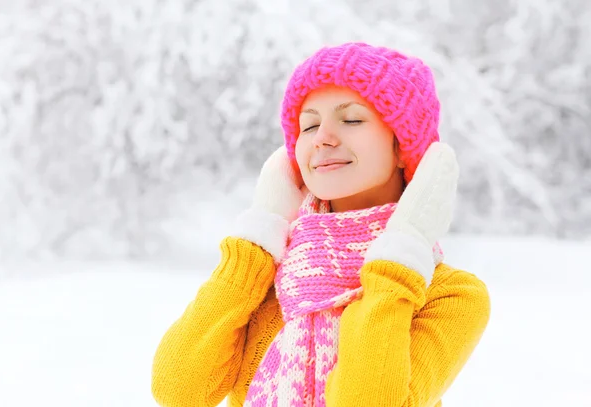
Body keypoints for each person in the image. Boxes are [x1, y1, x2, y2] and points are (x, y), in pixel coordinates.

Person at [151, 42, 491, 407]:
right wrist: (257, 240)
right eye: (309, 125)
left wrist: (401, 256)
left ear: (401, 145)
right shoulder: (269, 277)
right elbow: (179, 390)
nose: (323, 138)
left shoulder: (448, 295)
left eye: (352, 119)